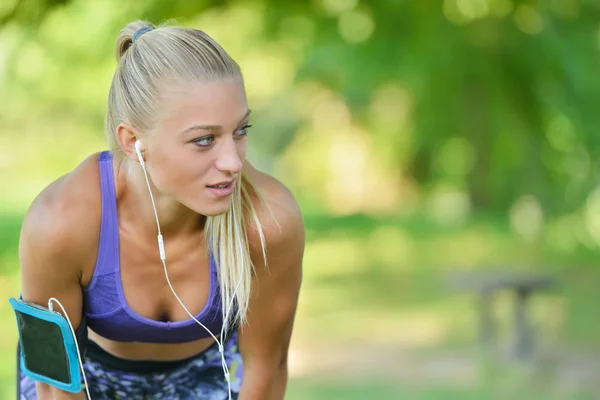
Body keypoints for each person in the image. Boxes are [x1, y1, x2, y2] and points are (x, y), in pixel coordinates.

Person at [17, 20, 304, 400]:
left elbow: (266, 368)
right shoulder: (59, 224)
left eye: (240, 130)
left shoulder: (268, 220)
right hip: (86, 377)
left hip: (206, 374)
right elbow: (54, 383)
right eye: (204, 140)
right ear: (134, 141)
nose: (233, 162)